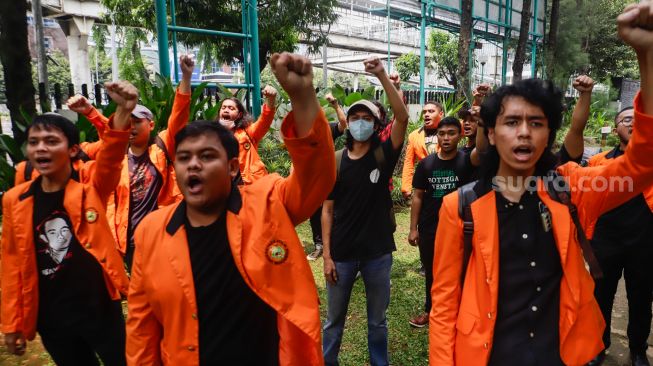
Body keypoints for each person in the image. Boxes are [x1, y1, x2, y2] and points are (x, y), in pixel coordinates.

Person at [429, 4, 653, 365]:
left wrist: (648, 56)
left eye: (536, 122)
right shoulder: (461, 206)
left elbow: (643, 163)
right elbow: (443, 301)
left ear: (549, 133)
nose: (523, 132)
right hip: (488, 354)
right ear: (491, 132)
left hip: (560, 352)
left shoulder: (570, 188)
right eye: (511, 121)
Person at [125, 52, 336, 365]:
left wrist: (303, 97)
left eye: (207, 156)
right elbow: (142, 330)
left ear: (233, 167)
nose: (193, 164)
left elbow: (316, 179)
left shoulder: (268, 204)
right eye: (183, 158)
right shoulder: (151, 233)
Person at [1, 81, 137, 365]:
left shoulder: (90, 186)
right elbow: (12, 263)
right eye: (34, 142)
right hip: (51, 315)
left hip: (100, 307)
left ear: (73, 150)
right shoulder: (16, 199)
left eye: (52, 141)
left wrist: (124, 110)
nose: (41, 149)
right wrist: (11, 323)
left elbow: (112, 155)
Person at [321, 56, 409, 366]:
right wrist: (328, 256)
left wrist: (383, 76)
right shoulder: (336, 159)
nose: (360, 121)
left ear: (376, 124)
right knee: (333, 322)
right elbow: (327, 210)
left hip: (377, 253)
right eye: (355, 116)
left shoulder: (383, 156)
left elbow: (402, 117)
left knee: (377, 321)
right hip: (342, 253)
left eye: (367, 117)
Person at [586, 106, 653, 366]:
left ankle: (637, 350)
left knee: (640, 298)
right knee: (600, 296)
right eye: (627, 119)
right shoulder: (598, 161)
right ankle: (599, 347)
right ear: (616, 129)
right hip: (605, 240)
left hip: (644, 241)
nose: (633, 123)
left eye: (639, 120)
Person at [407, 116, 483, 328]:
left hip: (462, 228)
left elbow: (484, 148)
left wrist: (483, 115)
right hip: (430, 228)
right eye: (442, 134)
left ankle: (462, 313)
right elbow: (418, 196)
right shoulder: (425, 164)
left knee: (463, 271)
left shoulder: (468, 160)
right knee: (432, 272)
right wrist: (413, 228)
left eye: (451, 133)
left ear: (460, 135)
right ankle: (431, 311)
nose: (446, 138)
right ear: (436, 136)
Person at [307, 93, 347, 261]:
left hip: (330, 176)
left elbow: (344, 124)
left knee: (332, 210)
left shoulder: (329, 128)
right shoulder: (302, 133)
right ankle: (319, 245)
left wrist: (336, 105)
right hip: (311, 179)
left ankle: (335, 242)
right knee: (314, 212)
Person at [217, 84, 277, 185]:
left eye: (231, 108)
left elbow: (265, 120)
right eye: (223, 108)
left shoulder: (248, 132)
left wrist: (271, 99)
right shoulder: (212, 135)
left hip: (251, 187)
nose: (226, 110)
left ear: (239, 115)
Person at [401, 101, 443, 199]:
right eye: (424, 112)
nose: (426, 114)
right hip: (425, 185)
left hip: (446, 181)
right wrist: (406, 187)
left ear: (441, 114)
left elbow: (470, 123)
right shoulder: (414, 136)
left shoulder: (450, 131)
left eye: (431, 111)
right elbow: (409, 162)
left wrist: (477, 102)